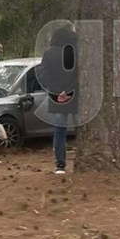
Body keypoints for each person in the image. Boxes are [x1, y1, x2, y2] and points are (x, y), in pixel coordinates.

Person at [37, 25, 77, 175]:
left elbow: (43, 74)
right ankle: (82, 159)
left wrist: (57, 91)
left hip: (57, 97)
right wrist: (69, 90)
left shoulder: (48, 53)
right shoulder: (76, 51)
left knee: (59, 131)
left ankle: (60, 165)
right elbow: (81, 74)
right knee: (81, 129)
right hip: (75, 96)